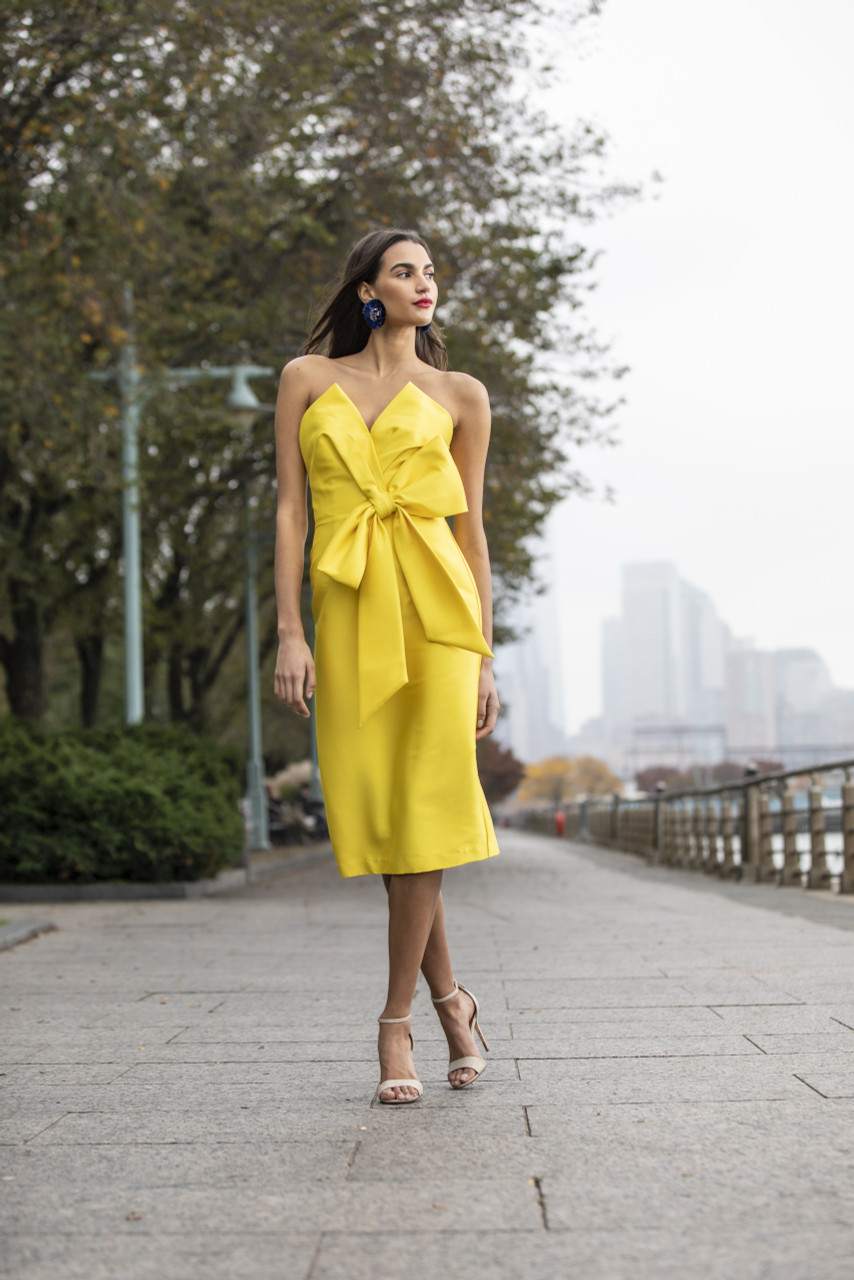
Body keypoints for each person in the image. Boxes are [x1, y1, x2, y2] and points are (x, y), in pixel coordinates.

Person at [273, 227, 500, 1104]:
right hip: (351, 614)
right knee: (384, 819)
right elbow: (291, 513)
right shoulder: (307, 380)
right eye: (405, 271)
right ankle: (455, 1004)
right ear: (369, 290)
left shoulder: (461, 394)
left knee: (428, 814)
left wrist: (485, 656)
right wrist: (290, 631)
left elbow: (474, 535)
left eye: (431, 271)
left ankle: (395, 1024)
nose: (424, 283)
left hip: (440, 621)